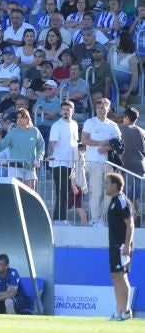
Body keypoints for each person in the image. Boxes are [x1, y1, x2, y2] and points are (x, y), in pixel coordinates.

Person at [81, 98, 121, 227]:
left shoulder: (113, 125)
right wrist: (100, 144)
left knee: (109, 193)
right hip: (94, 162)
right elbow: (84, 140)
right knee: (96, 192)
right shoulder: (89, 122)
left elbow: (119, 144)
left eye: (103, 107)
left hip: (109, 163)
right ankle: (94, 219)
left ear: (108, 109)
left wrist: (106, 148)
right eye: (98, 107)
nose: (100, 110)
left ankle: (102, 218)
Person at [105, 172, 134, 321]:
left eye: (107, 183)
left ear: (115, 185)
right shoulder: (114, 201)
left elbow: (130, 225)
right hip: (113, 246)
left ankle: (126, 310)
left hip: (122, 246)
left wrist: (127, 246)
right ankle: (118, 310)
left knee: (122, 276)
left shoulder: (122, 201)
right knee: (115, 276)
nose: (106, 186)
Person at [48, 101, 79, 225]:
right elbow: (53, 143)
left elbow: (75, 142)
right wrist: (58, 155)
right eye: (64, 109)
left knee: (65, 192)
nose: (66, 111)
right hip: (59, 162)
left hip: (70, 162)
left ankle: (59, 219)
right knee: (62, 191)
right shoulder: (57, 125)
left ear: (73, 111)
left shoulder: (75, 124)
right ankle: (60, 219)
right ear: (61, 111)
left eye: (68, 109)